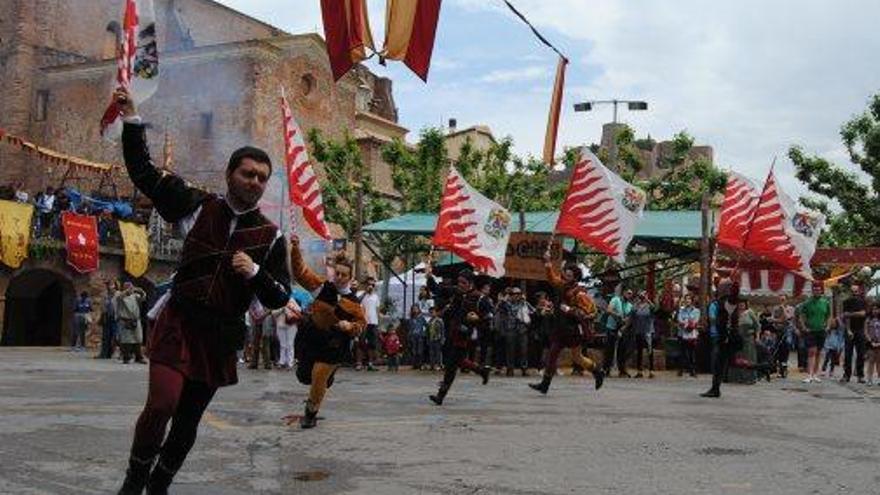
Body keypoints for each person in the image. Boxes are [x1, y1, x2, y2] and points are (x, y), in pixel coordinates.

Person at [114, 87, 291, 494]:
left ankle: (159, 485)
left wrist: (256, 273)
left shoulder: (271, 236)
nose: (255, 182)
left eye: (262, 178)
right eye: (248, 173)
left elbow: (280, 296)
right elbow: (143, 171)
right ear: (231, 174)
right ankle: (134, 479)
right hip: (179, 319)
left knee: (187, 423)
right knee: (161, 405)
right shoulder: (196, 205)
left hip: (220, 335)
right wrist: (132, 118)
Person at [288, 240, 365, 429]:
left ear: (350, 277)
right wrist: (296, 248)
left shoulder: (354, 303)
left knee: (318, 376)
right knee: (304, 376)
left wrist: (350, 326)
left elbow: (361, 325)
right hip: (312, 340)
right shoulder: (322, 288)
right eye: (337, 273)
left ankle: (311, 413)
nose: (339, 277)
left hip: (334, 346)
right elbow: (300, 273)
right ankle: (325, 380)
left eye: (343, 275)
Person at [528, 252, 604, 394]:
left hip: (573, 330)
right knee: (552, 355)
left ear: (575, 278)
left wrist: (569, 310)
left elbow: (589, 313)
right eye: (565, 274)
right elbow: (551, 278)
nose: (565, 277)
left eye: (569, 275)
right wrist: (547, 262)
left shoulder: (580, 294)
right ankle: (545, 384)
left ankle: (597, 371)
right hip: (560, 329)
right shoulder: (562, 286)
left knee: (578, 357)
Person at [424, 260, 492, 405]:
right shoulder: (456, 292)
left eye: (463, 283)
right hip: (452, 332)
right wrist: (429, 277)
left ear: (470, 283)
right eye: (459, 282)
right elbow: (437, 290)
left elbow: (489, 317)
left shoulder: (479, 298)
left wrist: (477, 319)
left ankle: (440, 396)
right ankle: (481, 371)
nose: (460, 285)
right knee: (457, 361)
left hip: (465, 336)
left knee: (451, 366)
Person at [798, 283, 832, 384]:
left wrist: (828, 326)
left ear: (821, 291)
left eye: (818, 289)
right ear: (812, 291)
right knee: (811, 351)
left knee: (819, 352)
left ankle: (815, 374)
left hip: (821, 330)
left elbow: (829, 315)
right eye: (815, 289)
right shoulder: (807, 303)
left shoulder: (825, 302)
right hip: (811, 330)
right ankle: (809, 375)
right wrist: (804, 327)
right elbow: (801, 315)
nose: (817, 291)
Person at [727, 299, 759, 384]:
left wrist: (757, 337)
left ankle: (750, 377)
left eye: (743, 304)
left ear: (746, 304)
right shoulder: (735, 314)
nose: (741, 305)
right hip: (737, 339)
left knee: (749, 357)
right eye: (740, 303)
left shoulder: (750, 312)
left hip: (749, 338)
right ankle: (738, 377)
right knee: (738, 357)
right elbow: (729, 325)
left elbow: (757, 325)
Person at [841, 283, 868, 383]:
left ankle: (860, 375)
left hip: (860, 330)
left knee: (861, 354)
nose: (854, 294)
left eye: (856, 292)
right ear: (850, 292)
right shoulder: (846, 302)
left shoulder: (863, 301)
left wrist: (851, 314)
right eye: (852, 292)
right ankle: (846, 375)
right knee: (848, 354)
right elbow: (845, 316)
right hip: (849, 330)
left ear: (859, 291)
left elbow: (864, 314)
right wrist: (848, 330)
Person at [116, 282, 147, 365]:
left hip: (136, 320)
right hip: (125, 320)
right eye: (128, 287)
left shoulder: (135, 296)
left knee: (138, 339)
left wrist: (141, 291)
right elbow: (120, 297)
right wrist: (128, 291)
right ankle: (126, 357)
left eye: (131, 287)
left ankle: (139, 357)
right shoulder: (119, 295)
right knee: (126, 340)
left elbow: (143, 298)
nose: (130, 289)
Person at [504, 287, 533, 377]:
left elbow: (533, 311)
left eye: (518, 294)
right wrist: (504, 299)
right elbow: (497, 308)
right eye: (514, 294)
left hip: (522, 329)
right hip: (510, 329)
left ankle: (524, 368)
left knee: (523, 350)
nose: (516, 296)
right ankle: (510, 369)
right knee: (510, 350)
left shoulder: (524, 303)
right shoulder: (506, 304)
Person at [357, 277, 381, 371]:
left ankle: (370, 363)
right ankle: (359, 363)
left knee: (372, 343)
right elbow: (357, 302)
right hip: (363, 322)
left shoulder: (376, 296)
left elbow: (377, 310)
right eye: (369, 284)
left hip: (373, 322)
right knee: (361, 342)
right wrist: (365, 293)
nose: (371, 286)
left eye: (373, 285)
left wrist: (378, 323)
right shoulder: (361, 294)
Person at [632, 291, 655, 378]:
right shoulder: (637, 306)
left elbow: (654, 309)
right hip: (639, 330)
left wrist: (648, 300)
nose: (642, 297)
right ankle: (639, 371)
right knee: (639, 351)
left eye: (644, 295)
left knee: (649, 350)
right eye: (641, 295)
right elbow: (633, 311)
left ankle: (651, 370)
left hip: (648, 331)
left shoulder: (649, 305)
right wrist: (637, 302)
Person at [677, 294, 700, 377]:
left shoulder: (696, 311)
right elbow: (679, 320)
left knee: (692, 353)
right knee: (682, 352)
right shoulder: (681, 310)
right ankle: (681, 370)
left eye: (689, 299)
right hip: (682, 334)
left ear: (692, 301)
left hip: (692, 334)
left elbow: (695, 321)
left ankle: (692, 370)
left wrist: (687, 323)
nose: (687, 301)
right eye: (686, 299)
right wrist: (687, 323)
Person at [274, 299, 301, 370]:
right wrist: (281, 309)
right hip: (280, 325)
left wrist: (290, 308)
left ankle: (290, 363)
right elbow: (273, 313)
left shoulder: (291, 300)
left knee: (290, 344)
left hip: (291, 325)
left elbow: (299, 310)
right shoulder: (277, 301)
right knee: (282, 344)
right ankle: (282, 361)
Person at [97, 280, 119, 359]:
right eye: (109, 285)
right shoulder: (105, 295)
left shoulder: (118, 295)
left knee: (115, 336)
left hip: (115, 318)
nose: (110, 287)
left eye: (112, 285)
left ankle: (113, 352)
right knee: (105, 336)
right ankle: (104, 353)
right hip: (106, 317)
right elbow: (102, 306)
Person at [408, 304, 427, 370]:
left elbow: (426, 325)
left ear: (419, 309)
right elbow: (410, 328)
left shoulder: (421, 318)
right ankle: (414, 364)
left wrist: (424, 333)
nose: (415, 310)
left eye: (416, 308)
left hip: (420, 336)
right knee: (414, 351)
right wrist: (409, 335)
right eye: (413, 309)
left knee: (420, 351)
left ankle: (420, 364)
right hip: (413, 336)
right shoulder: (411, 318)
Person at [864, 304, 880, 385]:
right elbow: (866, 331)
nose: (875, 311)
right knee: (871, 361)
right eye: (873, 309)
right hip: (871, 343)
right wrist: (870, 341)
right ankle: (869, 379)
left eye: (877, 309)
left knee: (879, 362)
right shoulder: (868, 319)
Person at [426, 305, 445, 371]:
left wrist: (442, 339)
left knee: (438, 353)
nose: (432, 314)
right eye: (430, 312)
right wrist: (428, 339)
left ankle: (439, 365)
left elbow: (442, 330)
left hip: (438, 339)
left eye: (433, 312)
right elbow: (427, 331)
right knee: (431, 353)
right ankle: (432, 365)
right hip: (431, 339)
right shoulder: (429, 322)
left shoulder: (440, 320)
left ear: (436, 313)